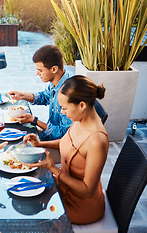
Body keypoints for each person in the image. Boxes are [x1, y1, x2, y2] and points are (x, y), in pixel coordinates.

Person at [22, 75, 109, 224]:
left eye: (64, 108)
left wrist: (53, 169)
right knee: (25, 196)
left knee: (33, 218)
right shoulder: (79, 120)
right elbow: (66, 142)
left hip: (81, 207)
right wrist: (40, 144)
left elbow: (88, 190)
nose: (62, 112)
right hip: (63, 191)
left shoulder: (97, 140)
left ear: (81, 105)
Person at [8, 45, 73, 140]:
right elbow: (45, 96)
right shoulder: (59, 80)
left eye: (40, 70)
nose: (37, 74)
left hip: (59, 143)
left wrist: (34, 120)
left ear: (54, 69)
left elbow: (64, 134)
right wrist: (23, 95)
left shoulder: (68, 93)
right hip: (49, 134)